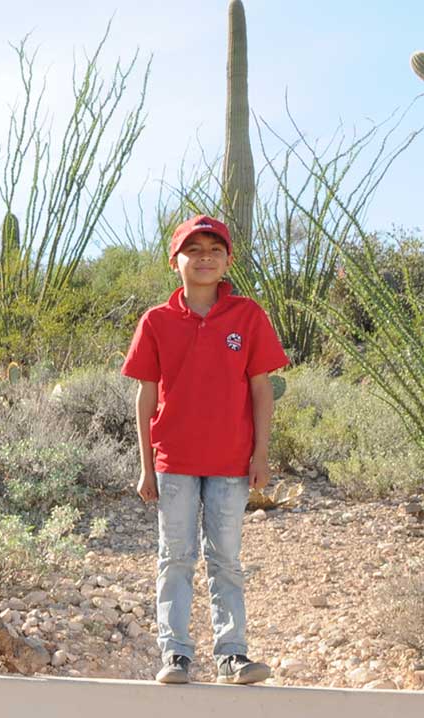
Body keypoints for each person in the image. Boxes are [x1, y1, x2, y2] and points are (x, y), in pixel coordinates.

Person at [121, 215, 288, 686]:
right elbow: (145, 396)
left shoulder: (248, 316)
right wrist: (146, 467)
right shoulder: (156, 321)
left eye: (214, 249)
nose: (204, 258)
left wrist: (260, 454)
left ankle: (233, 655)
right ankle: (175, 655)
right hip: (173, 461)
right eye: (193, 249)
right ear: (176, 260)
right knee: (175, 557)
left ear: (228, 260)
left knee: (225, 560)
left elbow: (261, 389)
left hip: (231, 462)